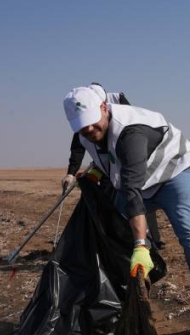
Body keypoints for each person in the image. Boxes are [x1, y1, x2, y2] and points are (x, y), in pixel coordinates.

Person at [62, 86, 190, 332]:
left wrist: (140, 245)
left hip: (174, 173)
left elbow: (132, 192)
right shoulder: (86, 135)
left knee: (189, 234)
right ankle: (128, 303)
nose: (88, 129)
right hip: (140, 181)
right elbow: (111, 161)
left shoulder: (130, 131)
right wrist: (96, 173)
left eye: (91, 121)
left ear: (103, 108)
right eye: (81, 125)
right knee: (115, 229)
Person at [62, 83, 165, 248]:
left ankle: (151, 242)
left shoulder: (117, 100)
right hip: (106, 166)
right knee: (114, 205)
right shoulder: (81, 113)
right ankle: (120, 244)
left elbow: (132, 132)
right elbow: (78, 147)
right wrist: (71, 173)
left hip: (128, 162)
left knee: (138, 198)